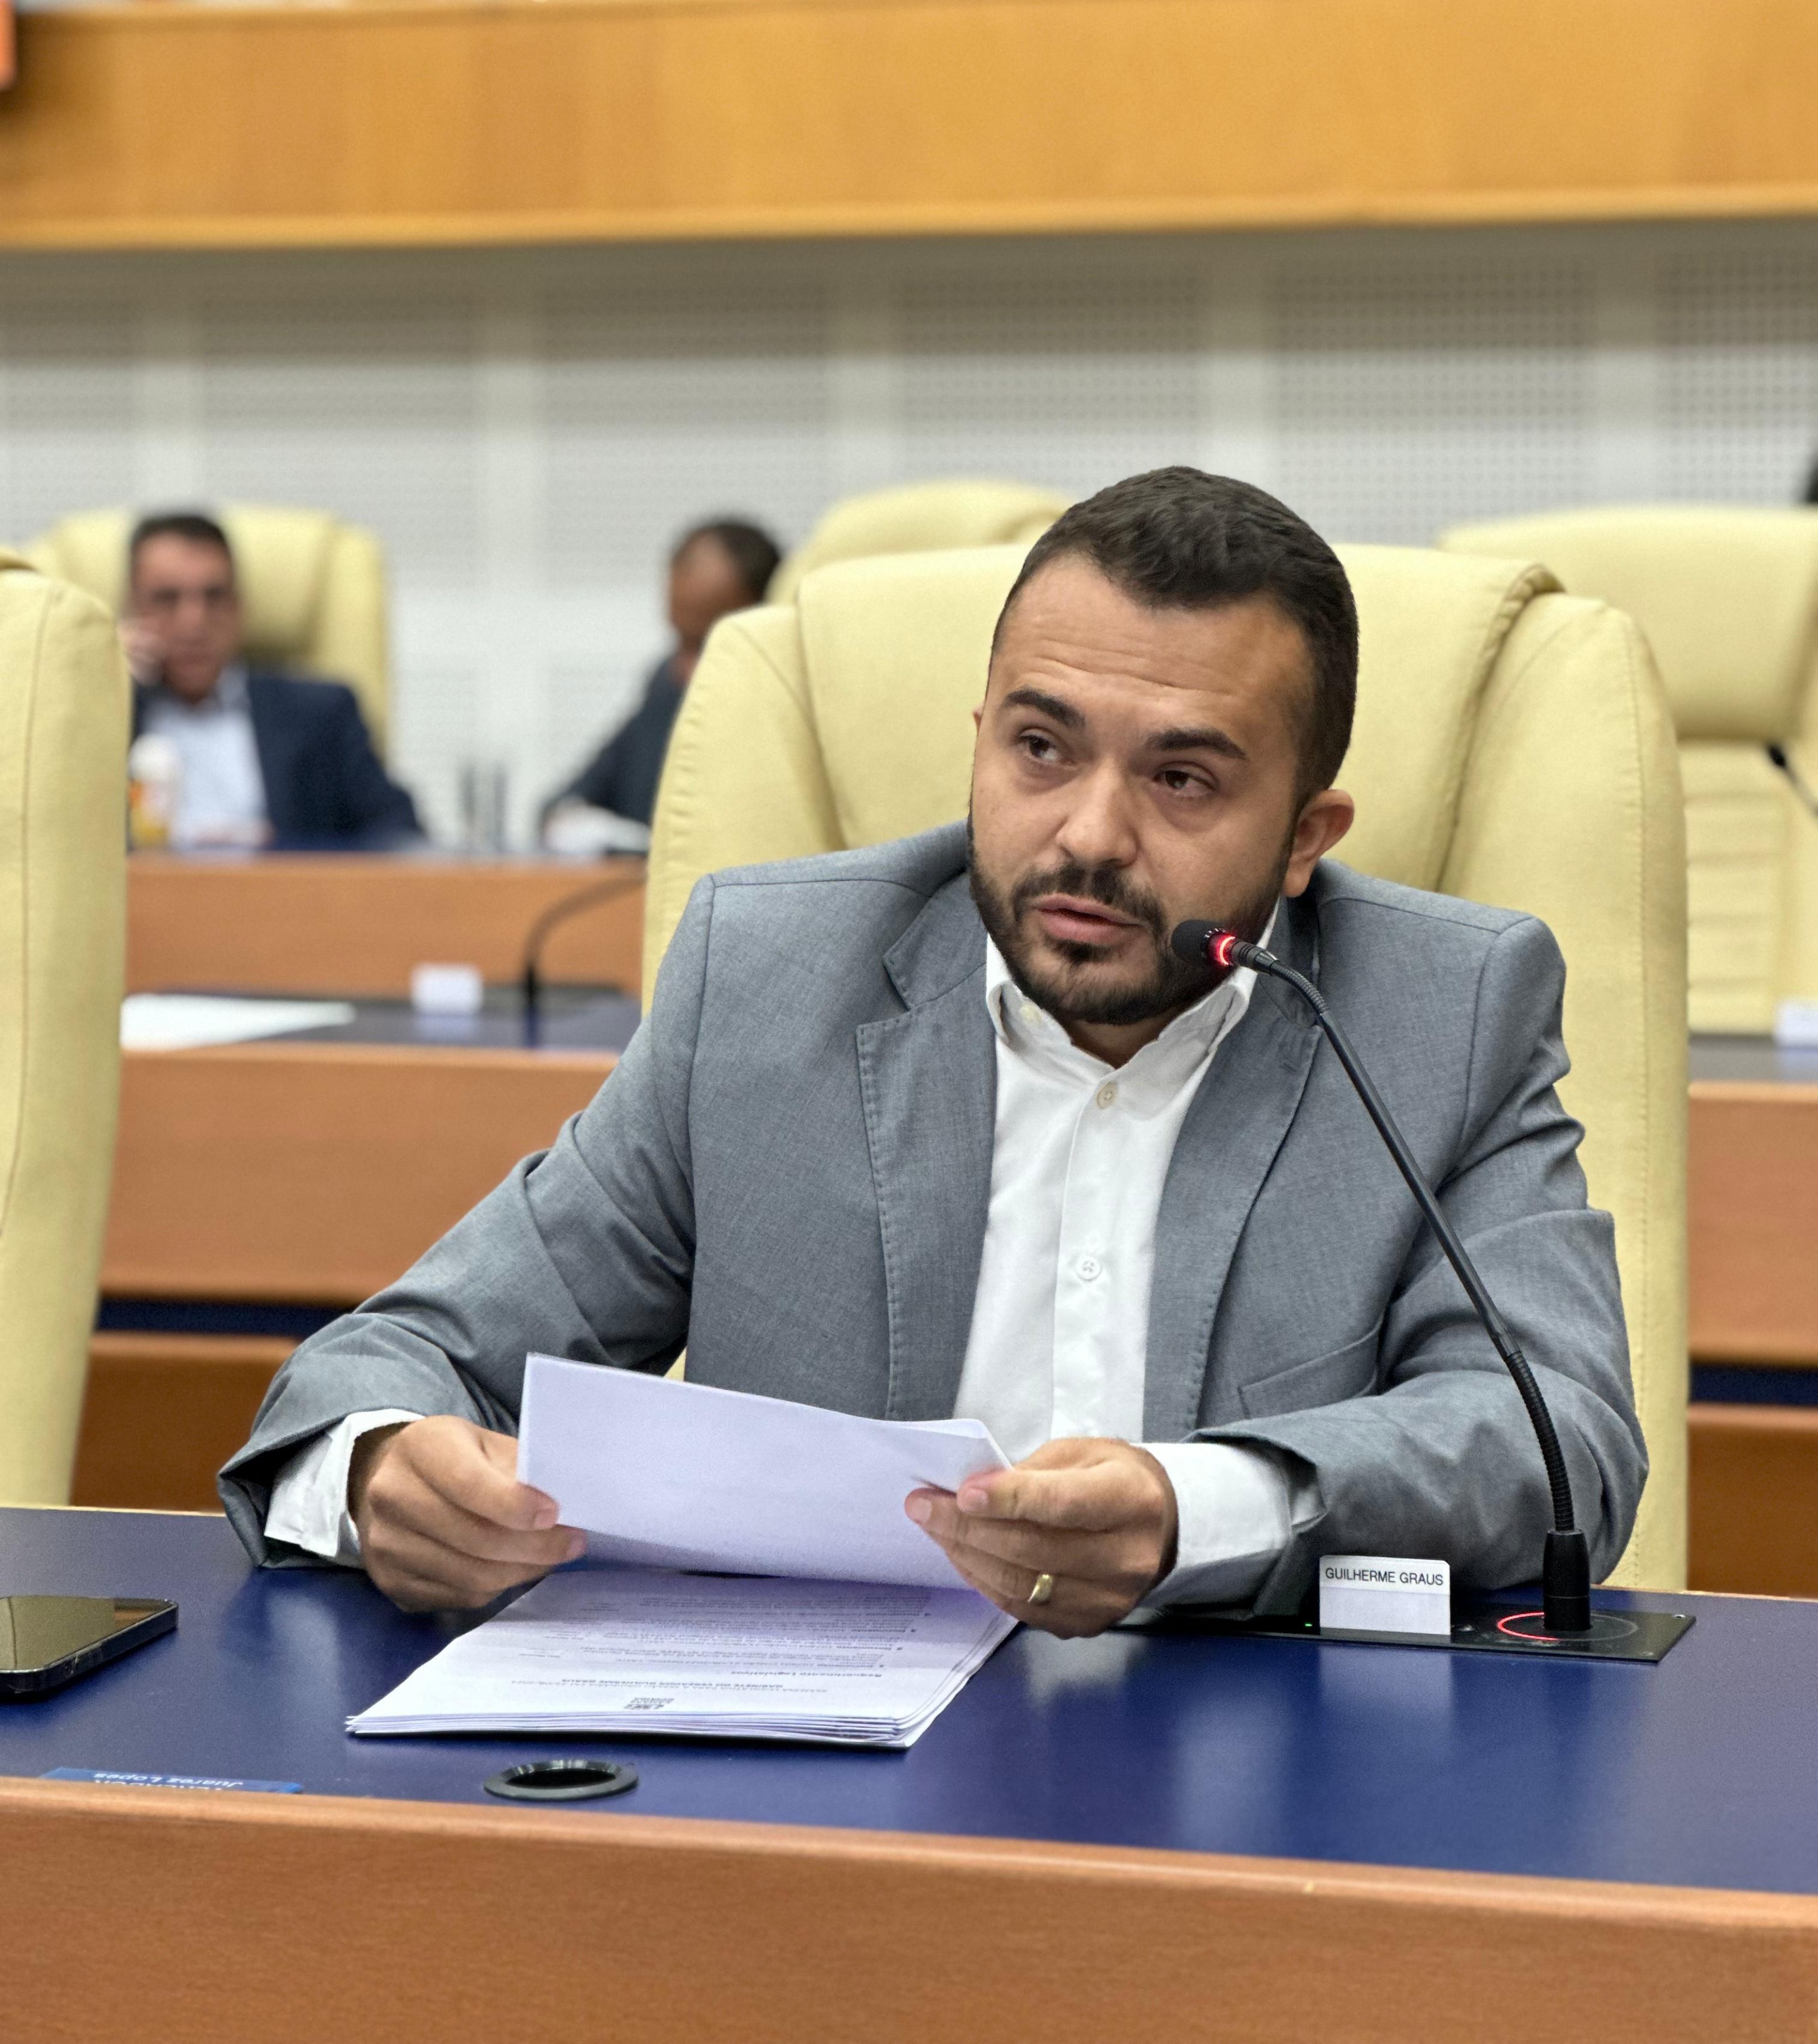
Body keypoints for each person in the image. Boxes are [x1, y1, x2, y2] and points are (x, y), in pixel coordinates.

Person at [222, 468, 1643, 1635]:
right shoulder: (766, 980)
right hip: (816, 1796)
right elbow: (396, 1355)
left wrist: (1191, 1510)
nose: (1087, 832)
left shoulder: (1440, 1011)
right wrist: (381, 1468)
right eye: (1040, 748)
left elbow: (1553, 1437)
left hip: (1258, 1794)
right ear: (978, 743)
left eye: (1180, 777)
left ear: (1302, 840)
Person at [125, 511, 420, 851]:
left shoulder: (319, 714)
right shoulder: (108, 719)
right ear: (133, 610)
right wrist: (103, 681)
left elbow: (399, 833)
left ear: (238, 608)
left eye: (214, 597)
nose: (194, 622)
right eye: (167, 598)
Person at [540, 516, 782, 846]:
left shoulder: (771, 702)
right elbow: (575, 795)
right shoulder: (664, 684)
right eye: (683, 644)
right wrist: (573, 820)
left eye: (703, 647)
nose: (688, 668)